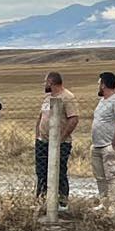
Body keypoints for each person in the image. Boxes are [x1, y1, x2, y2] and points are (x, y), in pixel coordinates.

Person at [34, 71, 79, 211]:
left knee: (59, 171)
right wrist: (37, 134)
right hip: (43, 142)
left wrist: (62, 138)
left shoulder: (68, 97)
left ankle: (62, 202)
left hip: (60, 143)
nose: (44, 84)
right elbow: (41, 116)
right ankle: (41, 200)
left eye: (45, 82)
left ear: (51, 82)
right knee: (41, 171)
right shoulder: (47, 98)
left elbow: (74, 119)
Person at [89, 72, 115, 210]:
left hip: (110, 145)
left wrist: (114, 145)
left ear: (104, 84)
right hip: (97, 145)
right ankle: (104, 203)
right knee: (100, 177)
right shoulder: (102, 101)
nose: (98, 87)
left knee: (112, 176)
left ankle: (114, 207)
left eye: (99, 83)